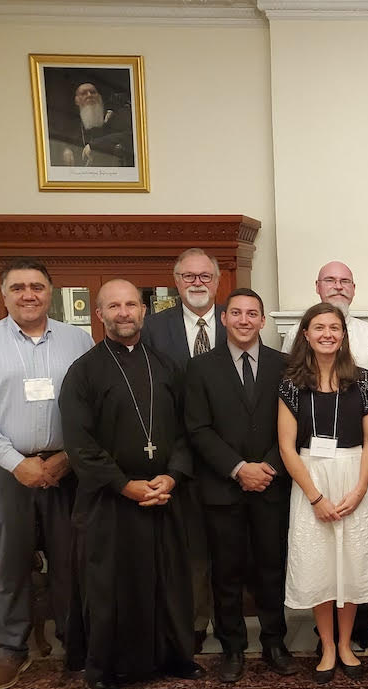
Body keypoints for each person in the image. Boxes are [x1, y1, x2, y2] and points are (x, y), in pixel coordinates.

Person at [0, 257, 93, 689]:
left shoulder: (78, 340)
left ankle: (75, 644)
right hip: (4, 471)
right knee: (11, 564)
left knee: (71, 562)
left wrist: (67, 457)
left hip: (67, 469)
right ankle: (10, 650)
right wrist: (16, 462)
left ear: (51, 291)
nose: (28, 295)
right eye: (18, 288)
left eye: (36, 287)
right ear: (4, 294)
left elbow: (93, 406)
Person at [59, 279, 201, 689]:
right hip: (110, 499)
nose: (124, 313)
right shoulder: (83, 372)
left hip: (163, 493)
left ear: (144, 311)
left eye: (131, 305)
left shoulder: (167, 365)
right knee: (109, 587)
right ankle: (105, 671)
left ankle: (174, 656)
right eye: (114, 306)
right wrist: (124, 484)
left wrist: (173, 476)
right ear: (99, 314)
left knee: (168, 579)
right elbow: (80, 444)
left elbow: (185, 431)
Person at [184, 289, 298, 683]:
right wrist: (237, 468)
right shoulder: (200, 368)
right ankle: (231, 646)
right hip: (222, 488)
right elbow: (197, 429)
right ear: (223, 319)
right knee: (226, 573)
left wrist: (266, 466)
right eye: (237, 313)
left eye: (252, 313)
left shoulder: (285, 366)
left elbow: (296, 427)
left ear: (263, 321)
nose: (245, 320)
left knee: (271, 567)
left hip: (271, 484)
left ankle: (274, 642)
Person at [278, 302, 368, 683]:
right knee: (320, 566)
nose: (327, 334)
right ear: (305, 334)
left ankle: (345, 645)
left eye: (334, 327)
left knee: (351, 565)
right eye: (319, 327)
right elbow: (287, 447)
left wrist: (359, 490)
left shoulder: (364, 379)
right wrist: (316, 497)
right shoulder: (292, 382)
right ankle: (326, 644)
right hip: (311, 480)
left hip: (355, 476)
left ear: (344, 334)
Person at [141, 247, 225, 653]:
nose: (197, 283)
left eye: (204, 276)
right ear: (175, 282)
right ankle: (191, 623)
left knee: (225, 547)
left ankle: (228, 623)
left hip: (227, 458)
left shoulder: (236, 321)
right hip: (174, 457)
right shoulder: (154, 329)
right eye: (188, 276)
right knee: (185, 549)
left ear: (217, 281)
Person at [283, 261, 368, 374]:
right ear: (318, 286)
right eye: (330, 280)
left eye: (345, 281)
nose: (338, 286)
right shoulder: (295, 333)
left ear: (353, 288)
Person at [56, 81, 134, 168]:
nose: (89, 95)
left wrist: (94, 146)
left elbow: (131, 135)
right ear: (77, 100)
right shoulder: (73, 125)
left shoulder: (115, 115)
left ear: (99, 97)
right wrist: (66, 149)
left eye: (93, 92)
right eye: (83, 93)